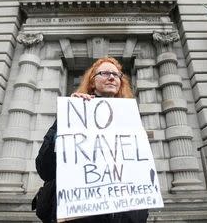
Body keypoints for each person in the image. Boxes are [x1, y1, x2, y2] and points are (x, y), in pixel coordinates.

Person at [35, 57, 148, 223]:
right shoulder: (73, 113)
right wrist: (67, 120)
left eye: (117, 75)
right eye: (105, 73)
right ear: (92, 82)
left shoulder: (129, 119)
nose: (112, 77)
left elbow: (140, 171)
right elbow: (45, 169)